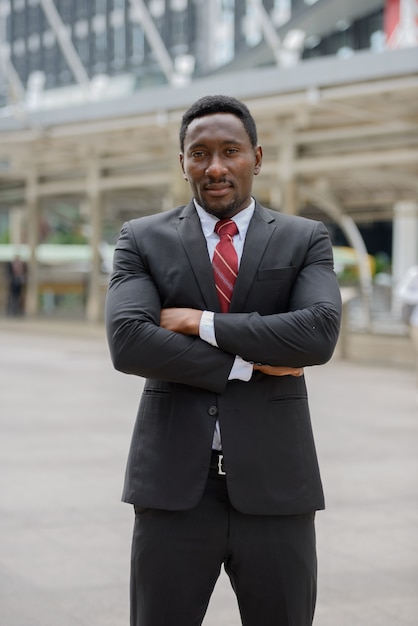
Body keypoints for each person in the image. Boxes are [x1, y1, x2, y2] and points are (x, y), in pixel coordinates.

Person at [105, 95, 342, 626]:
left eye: (229, 151)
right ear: (183, 162)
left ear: (256, 157)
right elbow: (129, 341)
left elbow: (318, 334)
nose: (214, 167)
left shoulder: (306, 240)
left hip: (277, 488)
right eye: (199, 153)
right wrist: (249, 364)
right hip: (173, 493)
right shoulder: (141, 239)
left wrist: (197, 322)